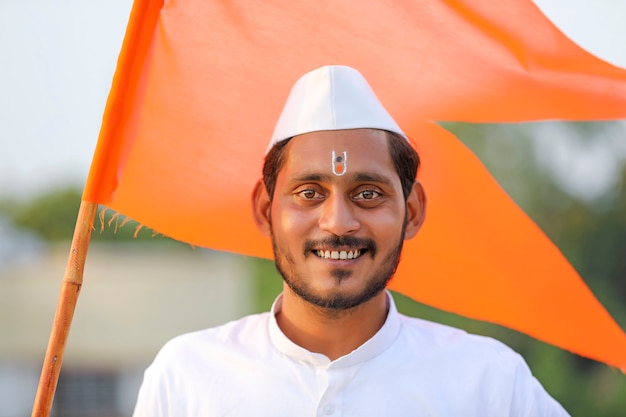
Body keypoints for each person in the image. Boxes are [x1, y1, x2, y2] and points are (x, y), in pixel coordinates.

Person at [132, 65, 570, 416]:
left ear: (412, 210)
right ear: (266, 210)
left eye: (368, 194)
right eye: (309, 194)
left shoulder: (488, 383)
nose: (338, 223)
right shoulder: (189, 377)